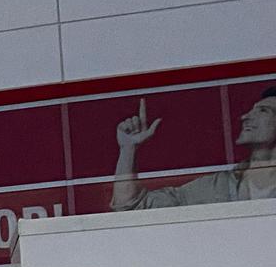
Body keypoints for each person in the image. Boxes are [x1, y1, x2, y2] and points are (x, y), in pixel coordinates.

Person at [111, 88, 276, 210]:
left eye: (263, 111)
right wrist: (128, 149)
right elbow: (133, 206)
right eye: (251, 110)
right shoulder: (218, 186)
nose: (245, 116)